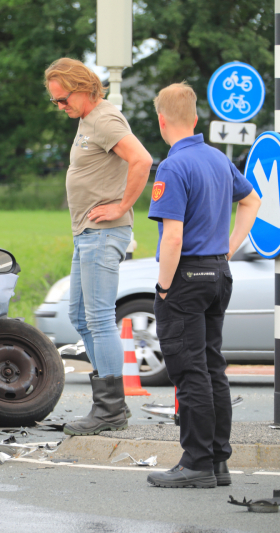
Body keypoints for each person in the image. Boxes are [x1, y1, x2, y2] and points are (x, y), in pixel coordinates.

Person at [145, 83, 260, 489]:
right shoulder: (215, 158)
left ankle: (195, 463)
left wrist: (162, 287)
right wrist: (228, 248)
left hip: (186, 277)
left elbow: (172, 237)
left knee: (189, 370)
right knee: (213, 368)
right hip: (217, 274)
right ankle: (217, 462)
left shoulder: (173, 167)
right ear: (195, 119)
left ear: (162, 120)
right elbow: (252, 202)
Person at [44, 58, 153, 436]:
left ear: (84, 86)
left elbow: (142, 159)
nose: (60, 107)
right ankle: (109, 400)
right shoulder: (86, 121)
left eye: (63, 99)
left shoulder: (105, 119)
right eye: (55, 102)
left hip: (103, 233)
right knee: (79, 315)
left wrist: (123, 205)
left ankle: (109, 408)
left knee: (100, 319)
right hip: (86, 234)